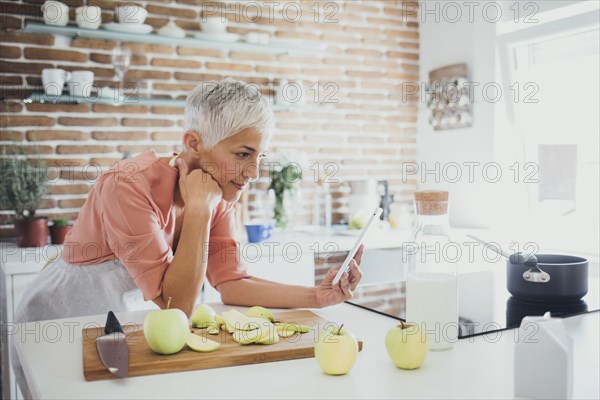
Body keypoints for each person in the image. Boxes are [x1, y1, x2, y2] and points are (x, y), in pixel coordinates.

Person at [15, 79, 365, 323]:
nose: (254, 172)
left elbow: (231, 284)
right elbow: (176, 306)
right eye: (243, 154)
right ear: (194, 143)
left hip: (122, 317)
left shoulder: (220, 191)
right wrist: (199, 209)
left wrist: (317, 296)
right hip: (59, 316)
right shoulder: (127, 185)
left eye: (259, 155)